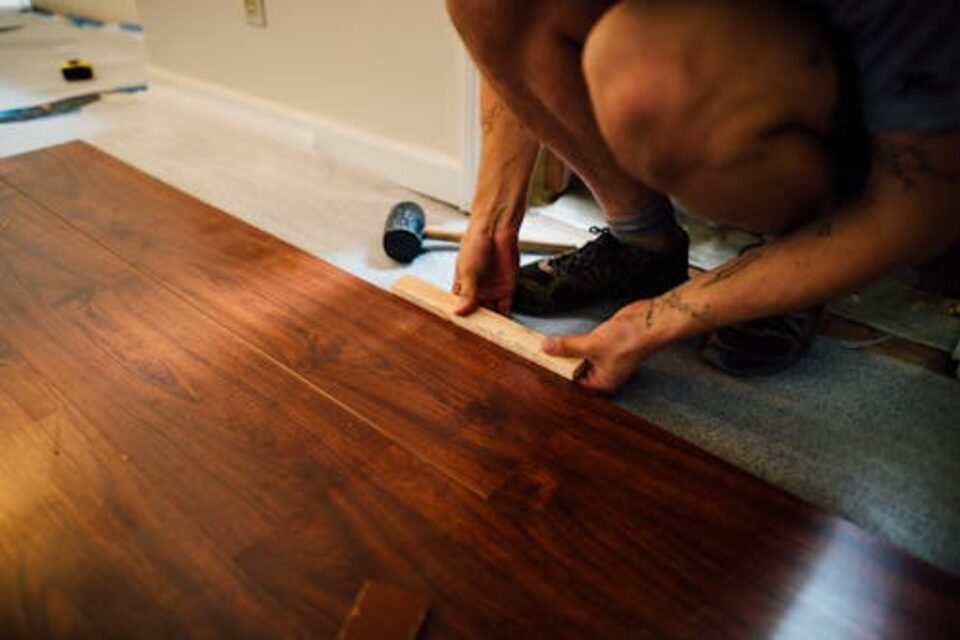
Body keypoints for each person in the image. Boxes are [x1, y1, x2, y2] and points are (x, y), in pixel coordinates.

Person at [445, 0, 960, 392]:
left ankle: (795, 250)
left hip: (883, 126)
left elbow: (921, 211)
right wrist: (492, 219)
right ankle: (642, 247)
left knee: (642, 76)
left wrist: (659, 319)